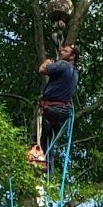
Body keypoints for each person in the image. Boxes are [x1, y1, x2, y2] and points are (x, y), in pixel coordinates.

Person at [27, 42, 78, 170]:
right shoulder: (75, 73)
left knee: (37, 139)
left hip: (50, 110)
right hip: (62, 113)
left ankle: (35, 158)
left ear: (72, 56)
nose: (61, 52)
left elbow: (42, 70)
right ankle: (48, 168)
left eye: (65, 51)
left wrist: (48, 61)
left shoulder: (63, 64)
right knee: (49, 143)